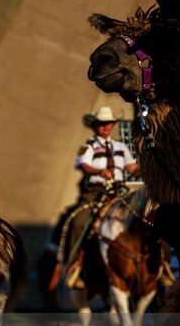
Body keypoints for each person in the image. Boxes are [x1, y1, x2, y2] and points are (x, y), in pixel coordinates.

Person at [59, 106, 140, 289]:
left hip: (120, 192)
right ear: (95, 125)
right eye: (102, 123)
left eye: (109, 123)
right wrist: (99, 171)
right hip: (95, 192)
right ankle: (73, 268)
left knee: (147, 217)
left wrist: (146, 168)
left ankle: (162, 267)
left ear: (113, 124)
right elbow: (83, 165)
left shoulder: (121, 147)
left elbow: (132, 168)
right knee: (78, 221)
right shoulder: (86, 146)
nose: (105, 126)